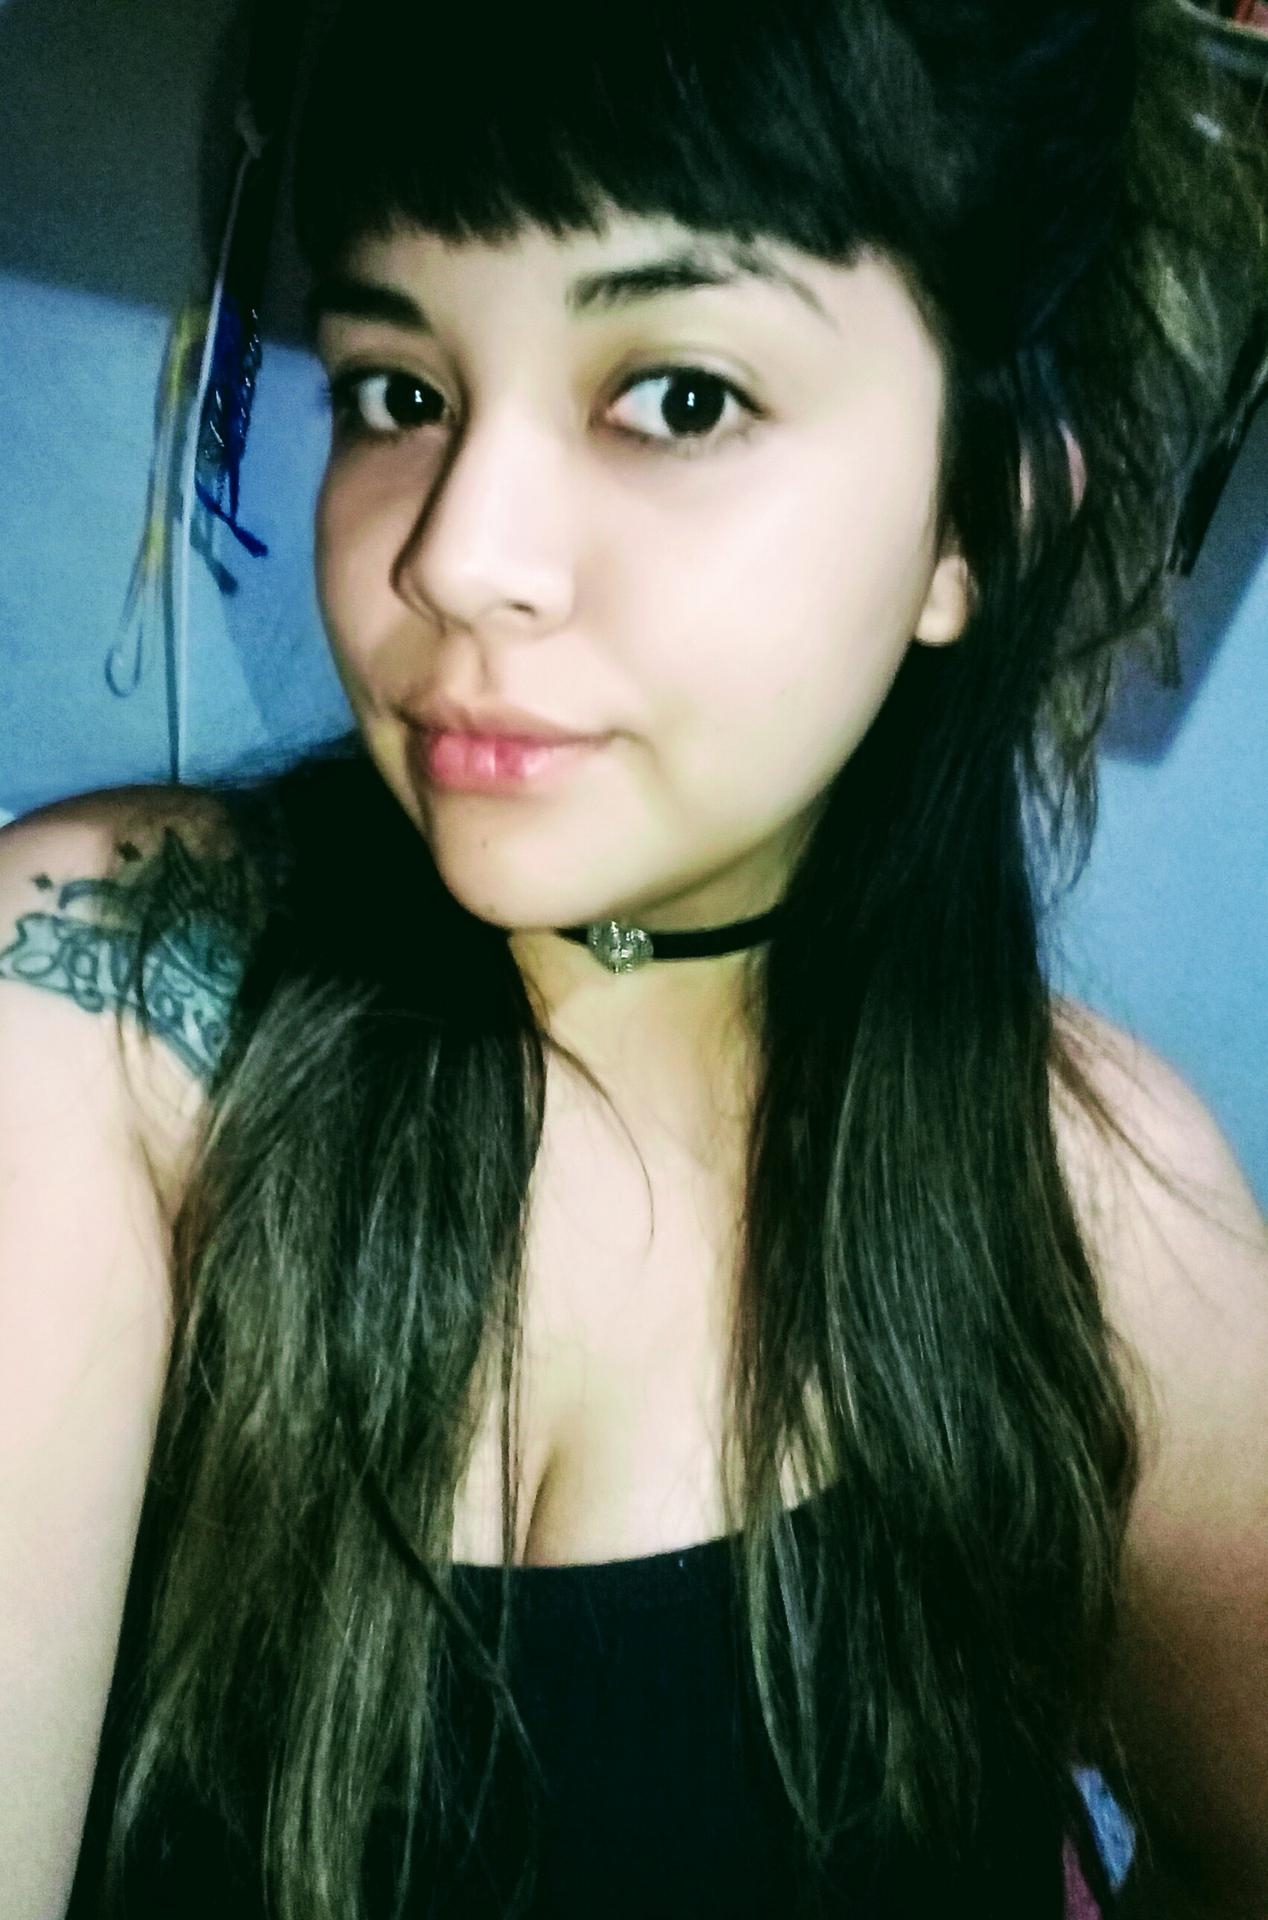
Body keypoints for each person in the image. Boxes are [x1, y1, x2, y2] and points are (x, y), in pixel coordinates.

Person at [2, 1, 1266, 1914]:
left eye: (676, 396)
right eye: (398, 390)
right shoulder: (100, 1012)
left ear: (979, 514)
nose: (456, 557)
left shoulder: (1097, 1214)